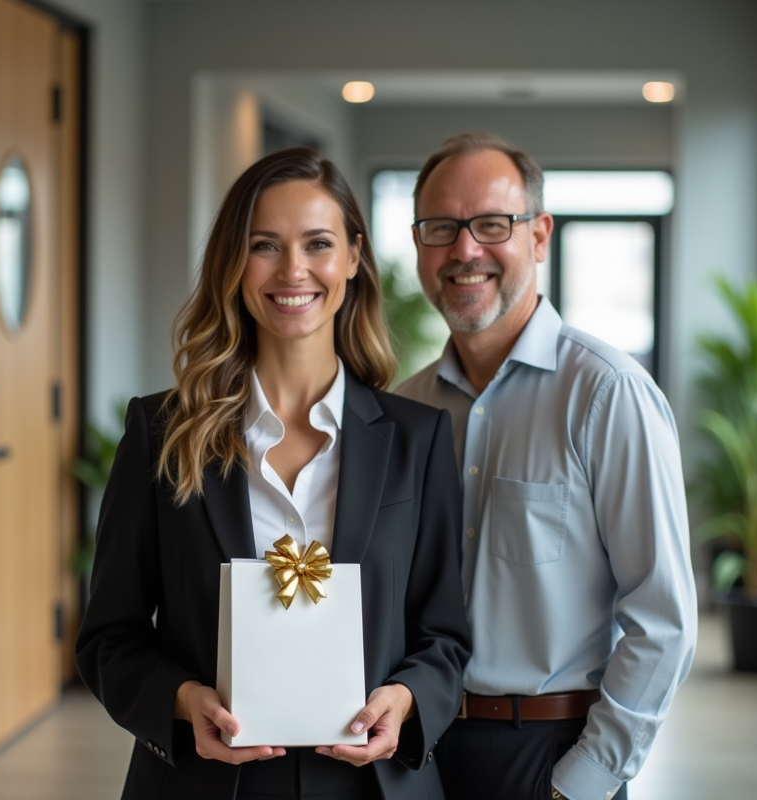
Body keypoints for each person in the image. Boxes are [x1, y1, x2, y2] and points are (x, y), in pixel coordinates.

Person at [76, 147, 471, 800]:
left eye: (318, 243)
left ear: (352, 256)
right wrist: (182, 700)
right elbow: (108, 638)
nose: (294, 270)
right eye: (265, 245)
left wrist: (403, 700)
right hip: (205, 784)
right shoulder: (161, 432)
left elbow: (444, 638)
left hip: (372, 787)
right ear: (234, 263)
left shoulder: (417, 439)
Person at [397, 131, 697, 800]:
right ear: (419, 244)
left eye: (492, 225)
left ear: (538, 237)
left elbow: (664, 617)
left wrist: (583, 784)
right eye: (442, 227)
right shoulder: (401, 412)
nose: (465, 250)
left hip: (550, 757)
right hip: (415, 756)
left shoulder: (607, 394)